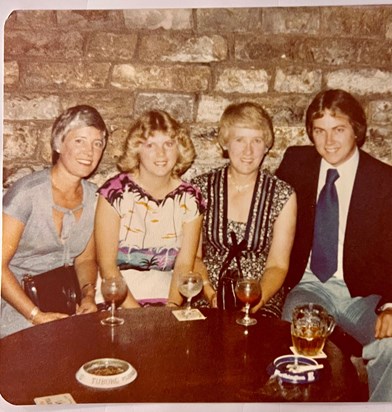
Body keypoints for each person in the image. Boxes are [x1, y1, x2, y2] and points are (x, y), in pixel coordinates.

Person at [276, 89, 392, 401]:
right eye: (319, 131)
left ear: (356, 129)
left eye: (338, 129)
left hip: (363, 295)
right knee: (293, 334)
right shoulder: (296, 164)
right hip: (309, 286)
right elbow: (266, 211)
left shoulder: (387, 182)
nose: (329, 142)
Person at [1, 105, 109, 337]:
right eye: (80, 140)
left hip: (65, 300)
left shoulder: (94, 197)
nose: (89, 152)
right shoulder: (26, 194)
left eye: (97, 143)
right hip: (15, 304)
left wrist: (89, 295)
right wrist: (35, 316)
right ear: (59, 143)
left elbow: (86, 259)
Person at [192, 102, 297, 318]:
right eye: (239, 140)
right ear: (225, 143)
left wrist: (255, 300)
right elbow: (193, 256)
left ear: (266, 146)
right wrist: (209, 293)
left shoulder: (283, 194)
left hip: (261, 296)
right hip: (206, 292)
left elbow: (277, 265)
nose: (248, 151)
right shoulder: (201, 188)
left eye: (256, 141)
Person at [94, 110, 204, 308]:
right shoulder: (114, 194)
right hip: (117, 296)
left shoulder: (190, 198)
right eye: (150, 145)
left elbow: (184, 266)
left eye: (168, 144)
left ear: (179, 149)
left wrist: (170, 309)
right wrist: (140, 316)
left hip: (167, 293)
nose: (161, 154)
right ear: (137, 150)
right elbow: (108, 268)